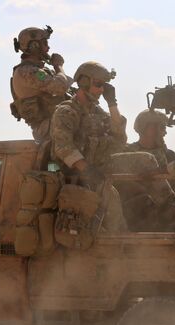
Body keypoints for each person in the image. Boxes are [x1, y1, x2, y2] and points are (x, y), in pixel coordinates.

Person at [50, 61, 127, 230]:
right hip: (76, 175)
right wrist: (87, 170)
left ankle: (167, 212)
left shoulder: (98, 113)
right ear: (84, 82)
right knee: (111, 197)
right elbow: (64, 148)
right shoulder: (66, 111)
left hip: (99, 168)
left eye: (104, 86)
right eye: (98, 85)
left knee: (147, 161)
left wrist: (112, 103)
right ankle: (122, 246)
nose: (101, 90)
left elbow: (120, 139)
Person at [10, 26, 70, 142]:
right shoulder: (28, 72)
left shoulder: (38, 71)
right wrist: (58, 66)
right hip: (49, 129)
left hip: (56, 125)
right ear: (34, 46)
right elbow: (60, 87)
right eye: (45, 43)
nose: (48, 48)